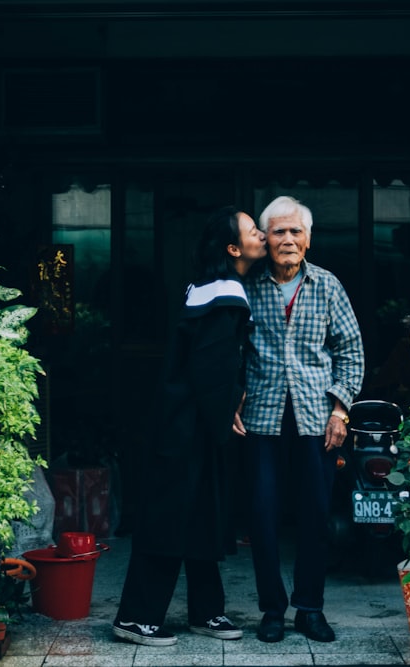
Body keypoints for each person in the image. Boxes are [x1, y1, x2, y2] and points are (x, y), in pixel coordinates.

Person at [112, 205, 266, 646]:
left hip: (192, 425)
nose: (261, 234)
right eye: (253, 230)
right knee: (169, 518)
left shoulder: (209, 289)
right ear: (233, 248)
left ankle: (207, 612)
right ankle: (136, 616)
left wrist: (225, 405)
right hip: (186, 430)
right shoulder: (224, 296)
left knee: (201, 517)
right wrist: (228, 410)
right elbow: (212, 368)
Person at [239, 195, 364, 643]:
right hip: (261, 418)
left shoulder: (328, 286)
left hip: (317, 419)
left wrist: (340, 410)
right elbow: (230, 348)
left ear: (308, 239)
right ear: (264, 240)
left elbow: (351, 351)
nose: (287, 240)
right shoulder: (247, 285)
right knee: (263, 516)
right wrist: (232, 398)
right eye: (278, 232)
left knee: (315, 515)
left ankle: (310, 608)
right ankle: (272, 610)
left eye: (295, 232)